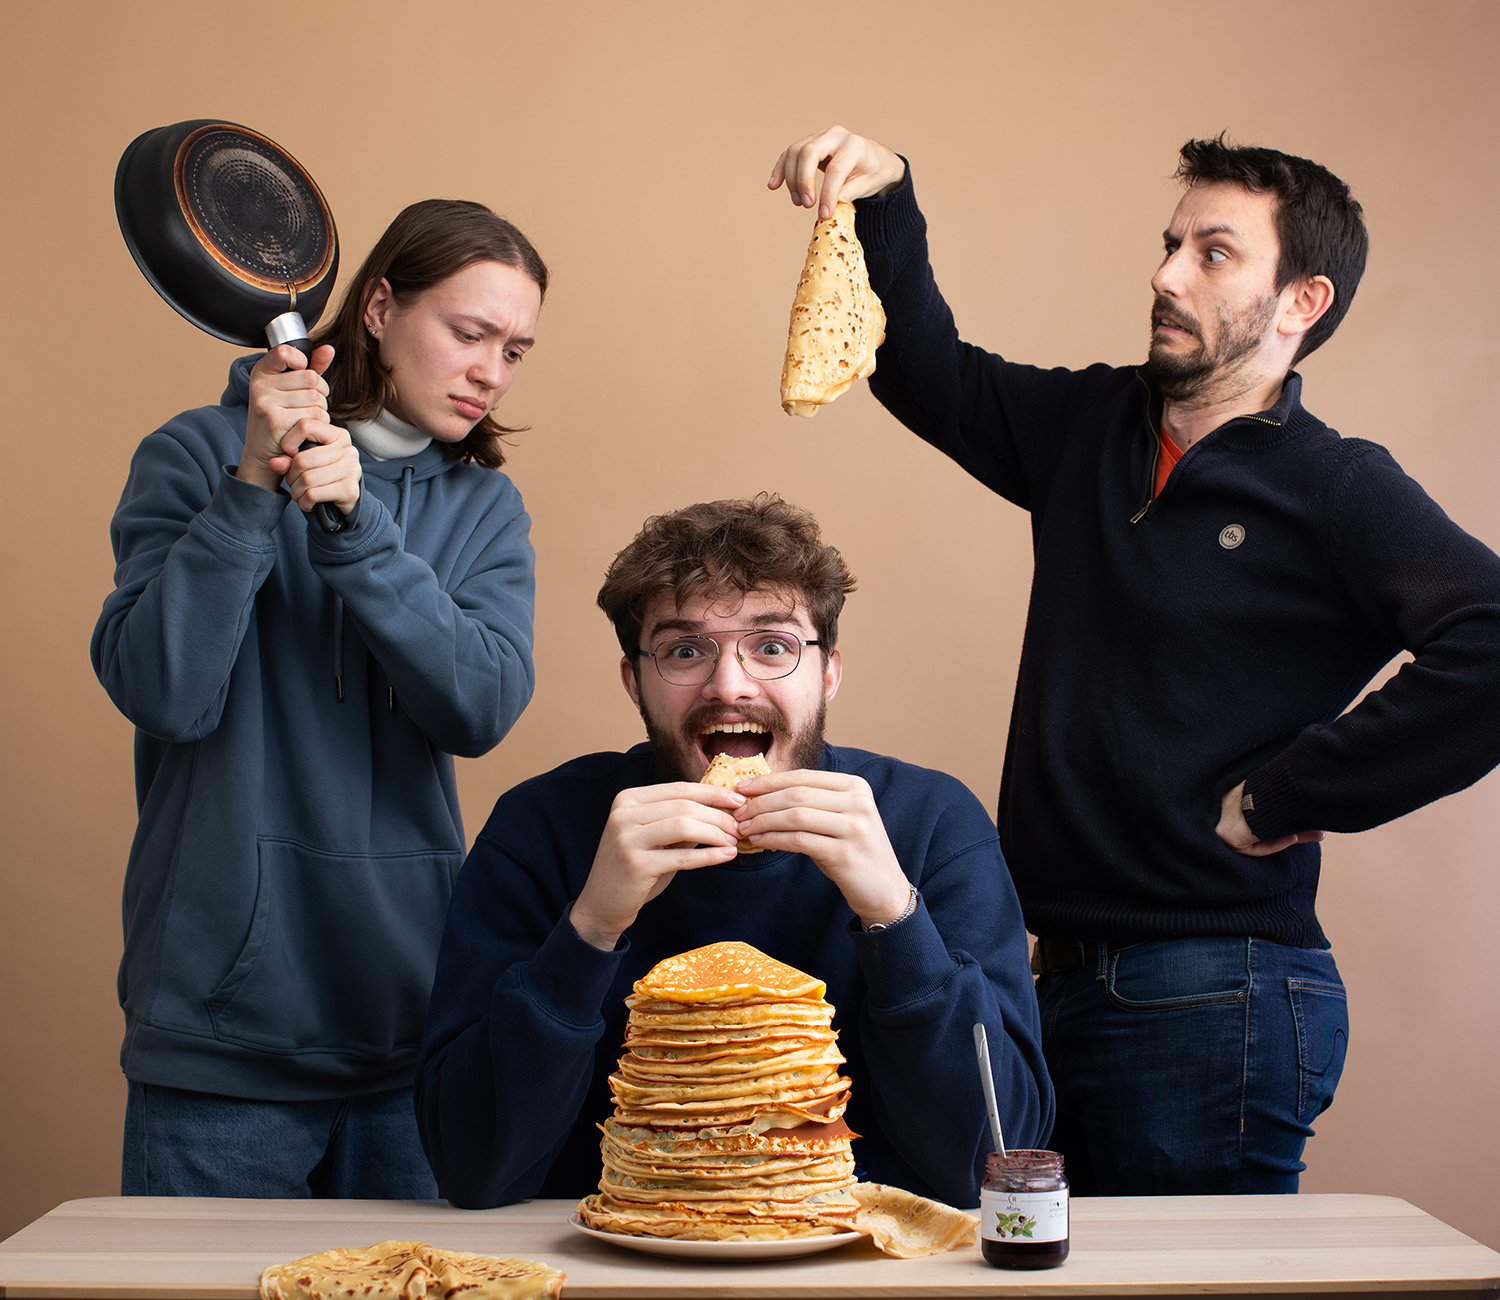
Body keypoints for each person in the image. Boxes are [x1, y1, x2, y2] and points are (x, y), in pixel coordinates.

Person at [767, 127, 1500, 1195]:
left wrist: (1291, 793)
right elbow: (924, 371)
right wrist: (888, 199)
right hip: (1051, 977)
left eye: (1213, 252)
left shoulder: (1334, 484)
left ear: (1303, 301)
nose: (1165, 274)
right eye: (1169, 243)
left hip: (1218, 988)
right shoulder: (1092, 426)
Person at [414, 494, 1052, 1210]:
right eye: (685, 651)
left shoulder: (930, 822)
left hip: (867, 1271)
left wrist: (895, 917)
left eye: (773, 647)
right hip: (610, 1270)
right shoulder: (543, 826)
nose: (729, 685)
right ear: (635, 682)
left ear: (829, 673)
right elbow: (471, 1168)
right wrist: (590, 928)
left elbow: (992, 1166)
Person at [91, 199, 547, 1198]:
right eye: (469, 334)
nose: (490, 372)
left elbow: (480, 707)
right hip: (220, 1044)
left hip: (412, 1033)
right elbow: (162, 690)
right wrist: (252, 487)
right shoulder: (191, 454)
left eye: (514, 349)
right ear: (379, 307)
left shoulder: (483, 508)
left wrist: (356, 530)